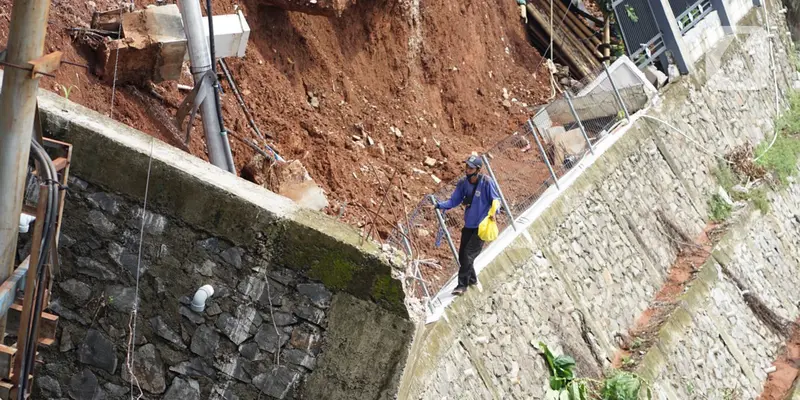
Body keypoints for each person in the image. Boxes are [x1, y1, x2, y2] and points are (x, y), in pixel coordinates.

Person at [434, 155, 500, 296]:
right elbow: (454, 201)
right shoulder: (463, 183)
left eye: (470, 167)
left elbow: (496, 200)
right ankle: (472, 279)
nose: (467, 169)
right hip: (469, 224)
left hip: (482, 226)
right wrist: (439, 205)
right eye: (466, 167)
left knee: (468, 254)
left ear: (477, 169)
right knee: (462, 256)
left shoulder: (487, 182)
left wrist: (495, 212)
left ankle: (461, 285)